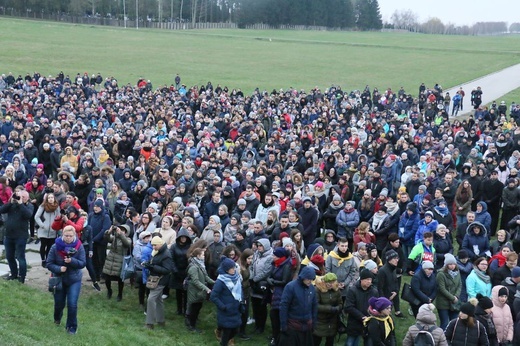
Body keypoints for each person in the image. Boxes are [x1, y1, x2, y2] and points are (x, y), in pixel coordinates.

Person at [46, 226, 86, 335]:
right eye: (66, 235)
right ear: (62, 235)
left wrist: (71, 261)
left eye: (70, 236)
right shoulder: (55, 247)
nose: (68, 238)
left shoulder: (79, 246)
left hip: (74, 279)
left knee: (72, 304)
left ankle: (71, 327)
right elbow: (49, 263)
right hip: (59, 279)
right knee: (59, 304)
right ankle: (57, 318)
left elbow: (83, 263)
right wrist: (59, 269)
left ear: (74, 236)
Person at [278, 266, 318, 346]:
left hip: (307, 327)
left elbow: (314, 306)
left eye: (312, 279)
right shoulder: (290, 287)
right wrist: (284, 325)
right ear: (302, 277)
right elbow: (284, 306)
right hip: (293, 327)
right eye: (308, 279)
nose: (310, 281)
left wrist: (314, 323)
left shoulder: (312, 289)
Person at [1, 189, 34, 283]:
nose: (21, 198)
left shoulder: (29, 206)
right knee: (9, 257)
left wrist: (20, 204)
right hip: (9, 235)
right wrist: (11, 202)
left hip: (21, 236)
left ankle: (22, 276)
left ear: (27, 198)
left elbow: (28, 215)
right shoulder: (12, 204)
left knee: (20, 257)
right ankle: (14, 274)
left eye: (23, 197)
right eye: (20, 196)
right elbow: (2, 210)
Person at [210, 257, 243, 346]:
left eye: (234, 267)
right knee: (227, 332)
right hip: (226, 311)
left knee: (236, 330)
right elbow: (213, 296)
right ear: (226, 269)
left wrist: (241, 304)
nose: (233, 270)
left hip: (235, 309)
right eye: (231, 268)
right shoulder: (220, 281)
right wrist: (223, 306)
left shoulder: (237, 277)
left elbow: (240, 291)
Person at [143, 235, 173, 329]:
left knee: (151, 299)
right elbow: (155, 263)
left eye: (155, 245)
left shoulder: (166, 255)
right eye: (152, 245)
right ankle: (160, 321)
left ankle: (149, 323)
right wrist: (148, 264)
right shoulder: (157, 252)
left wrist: (152, 267)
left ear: (160, 244)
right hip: (157, 278)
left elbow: (167, 270)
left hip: (160, 280)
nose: (153, 247)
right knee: (159, 300)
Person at [344, 269, 379, 346]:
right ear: (361, 279)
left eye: (370, 279)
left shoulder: (374, 292)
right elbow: (349, 307)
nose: (369, 281)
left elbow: (376, 306)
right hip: (355, 322)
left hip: (369, 323)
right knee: (350, 343)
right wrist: (362, 317)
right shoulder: (353, 290)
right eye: (367, 279)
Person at [186, 247, 214, 333]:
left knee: (198, 307)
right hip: (194, 291)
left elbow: (205, 277)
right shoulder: (193, 267)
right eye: (202, 255)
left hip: (199, 291)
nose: (204, 256)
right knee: (194, 309)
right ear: (198, 256)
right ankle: (192, 326)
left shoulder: (200, 265)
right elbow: (195, 281)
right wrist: (206, 289)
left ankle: (192, 324)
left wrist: (215, 282)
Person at [249, 238, 273, 334]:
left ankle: (261, 326)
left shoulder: (270, 257)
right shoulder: (256, 254)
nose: (258, 247)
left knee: (261, 306)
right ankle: (256, 324)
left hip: (262, 284)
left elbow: (266, 271)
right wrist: (251, 277)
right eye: (258, 245)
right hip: (254, 283)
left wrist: (255, 279)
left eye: (260, 246)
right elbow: (251, 266)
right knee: (254, 304)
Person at [312, 273, 342, 346]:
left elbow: (340, 303)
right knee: (316, 340)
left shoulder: (337, 290)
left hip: (332, 320)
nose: (331, 284)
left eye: (333, 282)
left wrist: (338, 308)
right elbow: (316, 305)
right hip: (320, 320)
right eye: (329, 282)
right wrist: (330, 309)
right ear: (324, 282)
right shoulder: (317, 290)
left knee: (330, 341)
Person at [436, 253, 462, 330]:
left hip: (454, 303)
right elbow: (442, 289)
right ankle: (442, 340)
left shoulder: (457, 272)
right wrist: (452, 298)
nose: (452, 266)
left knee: (454, 323)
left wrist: (456, 296)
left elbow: (460, 285)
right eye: (450, 264)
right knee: (445, 324)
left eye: (453, 264)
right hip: (443, 303)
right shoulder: (440, 274)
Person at [35, 193, 60, 267]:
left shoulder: (57, 207)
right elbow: (37, 217)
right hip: (43, 230)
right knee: (43, 245)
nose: (51, 199)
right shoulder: (43, 206)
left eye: (52, 197)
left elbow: (58, 217)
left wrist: (56, 226)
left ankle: (48, 260)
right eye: (49, 198)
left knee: (50, 246)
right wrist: (42, 225)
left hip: (53, 230)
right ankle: (43, 260)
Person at [377, 249, 405, 318]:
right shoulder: (382, 271)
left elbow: (396, 282)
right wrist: (383, 302)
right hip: (385, 299)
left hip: (391, 297)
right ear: (389, 259)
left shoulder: (393, 269)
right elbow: (379, 288)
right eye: (395, 258)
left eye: (397, 258)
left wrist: (395, 292)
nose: (397, 260)